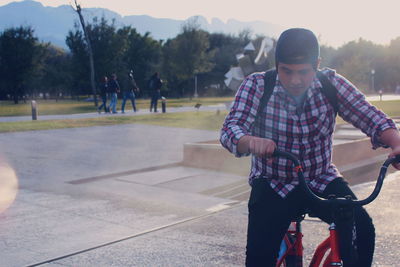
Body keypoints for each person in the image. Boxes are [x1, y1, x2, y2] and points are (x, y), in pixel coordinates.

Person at [220, 28, 400, 267]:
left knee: (363, 230)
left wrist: (396, 142)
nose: (296, 80)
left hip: (320, 178)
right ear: (276, 65)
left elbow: (370, 116)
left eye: (304, 72)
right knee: (259, 258)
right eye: (287, 71)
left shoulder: (331, 84)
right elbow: (231, 128)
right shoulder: (257, 85)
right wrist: (249, 141)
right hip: (274, 181)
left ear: (316, 64)